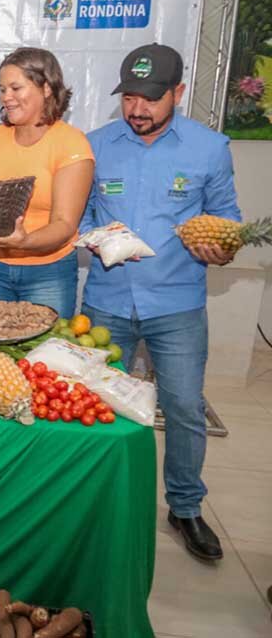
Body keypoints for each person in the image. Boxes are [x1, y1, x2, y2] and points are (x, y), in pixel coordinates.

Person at [80, 43, 240, 562]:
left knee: (185, 408)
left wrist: (221, 247)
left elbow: (227, 220)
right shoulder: (96, 145)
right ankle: (99, 502)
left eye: (150, 98)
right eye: (129, 97)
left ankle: (186, 507)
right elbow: (76, 219)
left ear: (178, 92)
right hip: (107, 299)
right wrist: (97, 235)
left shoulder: (209, 148)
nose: (137, 110)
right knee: (101, 404)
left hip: (176, 303)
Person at [0, 47, 94, 318]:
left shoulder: (71, 143)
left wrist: (25, 241)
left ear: (46, 88)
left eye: (15, 88)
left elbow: (65, 224)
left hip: (50, 272)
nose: (6, 97)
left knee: (43, 354)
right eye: (2, 90)